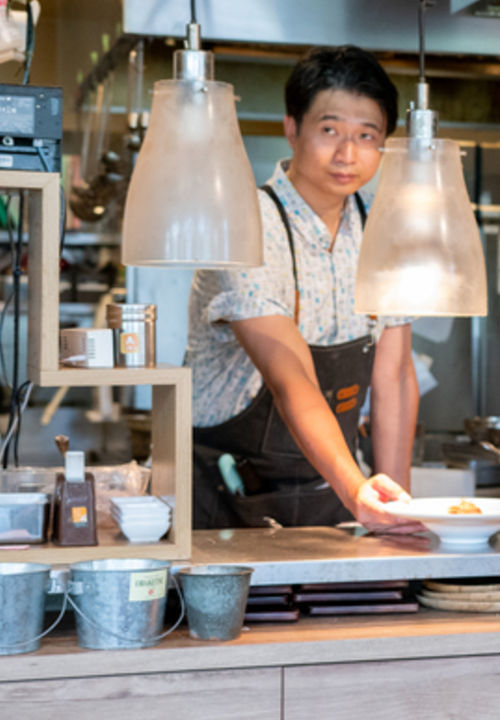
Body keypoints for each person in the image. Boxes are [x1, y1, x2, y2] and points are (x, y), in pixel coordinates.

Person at [185, 46, 422, 533]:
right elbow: (289, 376)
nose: (347, 154)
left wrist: (394, 508)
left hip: (333, 506)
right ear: (292, 128)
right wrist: (356, 488)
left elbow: (394, 375)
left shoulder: (381, 232)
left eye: (366, 135)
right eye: (330, 130)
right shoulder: (244, 227)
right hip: (224, 508)